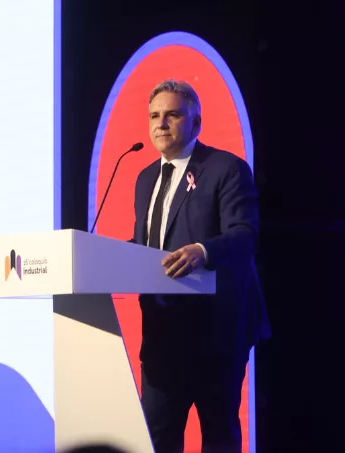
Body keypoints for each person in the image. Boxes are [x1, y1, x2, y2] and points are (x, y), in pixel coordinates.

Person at [130, 80, 271, 453]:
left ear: (196, 123)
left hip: (216, 331)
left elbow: (245, 235)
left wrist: (202, 251)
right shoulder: (145, 178)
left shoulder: (226, 168)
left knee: (218, 437)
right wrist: (104, 255)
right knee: (156, 437)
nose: (162, 124)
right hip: (162, 334)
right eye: (155, 116)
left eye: (173, 115)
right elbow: (146, 246)